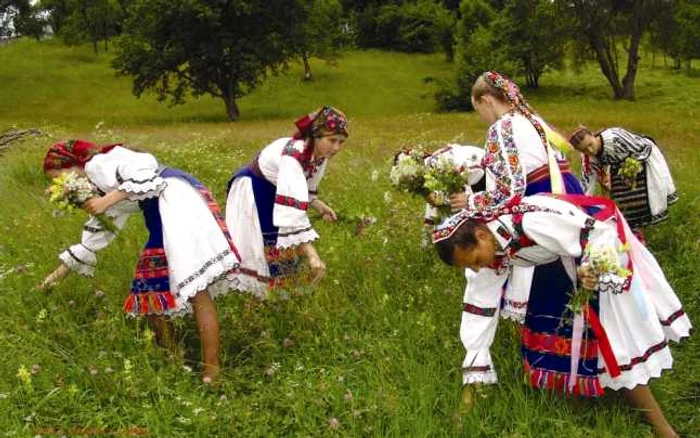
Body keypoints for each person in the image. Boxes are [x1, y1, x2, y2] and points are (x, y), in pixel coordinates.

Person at [433, 194, 691, 438]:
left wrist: (591, 268)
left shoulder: (531, 221)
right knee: (555, 329)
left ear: (481, 235)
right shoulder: (490, 248)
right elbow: (479, 311)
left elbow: (597, 233)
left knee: (612, 340)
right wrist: (470, 391)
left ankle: (663, 429)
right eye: (469, 266)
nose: (477, 269)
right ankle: (578, 399)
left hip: (602, 246)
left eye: (475, 260)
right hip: (559, 259)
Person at [39, 139, 257, 383]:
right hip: (166, 208)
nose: (61, 183)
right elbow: (95, 238)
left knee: (190, 288)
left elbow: (146, 172)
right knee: (154, 289)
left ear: (73, 165)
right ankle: (181, 361)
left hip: (176, 204)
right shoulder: (103, 184)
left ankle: (209, 371)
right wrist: (51, 281)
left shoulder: (98, 164)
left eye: (60, 176)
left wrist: (104, 201)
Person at [451, 71, 585, 388]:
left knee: (502, 276)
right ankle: (582, 362)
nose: (482, 119)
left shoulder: (504, 126)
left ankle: (489, 370)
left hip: (542, 210)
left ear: (485, 101)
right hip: (567, 199)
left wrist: (469, 201)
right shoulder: (533, 120)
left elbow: (508, 191)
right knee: (575, 284)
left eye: (478, 111)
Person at [225, 106, 348, 296]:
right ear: (316, 135)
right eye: (332, 140)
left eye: (341, 142)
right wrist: (312, 255)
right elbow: (291, 216)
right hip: (254, 188)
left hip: (275, 188)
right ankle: (260, 297)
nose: (336, 148)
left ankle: (282, 294)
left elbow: (304, 189)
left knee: (280, 246)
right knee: (264, 243)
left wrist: (319, 206)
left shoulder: (320, 156)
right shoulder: (295, 155)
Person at [569, 126, 678, 232]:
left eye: (590, 144)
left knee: (641, 197)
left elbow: (644, 147)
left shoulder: (614, 138)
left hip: (642, 161)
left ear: (593, 136)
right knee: (621, 201)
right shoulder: (588, 159)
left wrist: (632, 166)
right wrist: (579, 207)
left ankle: (642, 231)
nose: (590, 150)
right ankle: (632, 232)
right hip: (619, 168)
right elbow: (587, 183)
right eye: (584, 150)